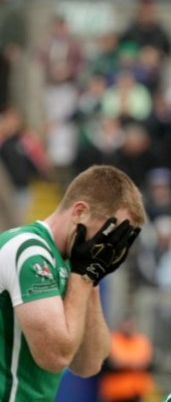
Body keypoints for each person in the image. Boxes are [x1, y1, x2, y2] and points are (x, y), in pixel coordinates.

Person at [0, 164, 145, 400]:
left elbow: (89, 363)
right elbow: (56, 356)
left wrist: (92, 278)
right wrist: (82, 275)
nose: (108, 246)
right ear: (79, 212)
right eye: (109, 231)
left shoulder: (73, 265)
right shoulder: (27, 250)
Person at [99, 313, 156, 402]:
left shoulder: (142, 341)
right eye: (125, 324)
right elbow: (107, 365)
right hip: (115, 393)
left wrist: (124, 363)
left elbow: (149, 364)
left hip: (137, 392)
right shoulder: (111, 340)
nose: (128, 327)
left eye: (130, 324)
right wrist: (132, 364)